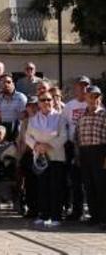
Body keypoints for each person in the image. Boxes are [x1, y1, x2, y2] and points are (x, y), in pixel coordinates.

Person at [26, 91, 69, 228]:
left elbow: (64, 136)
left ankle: (56, 217)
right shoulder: (33, 120)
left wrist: (49, 145)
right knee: (42, 187)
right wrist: (36, 146)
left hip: (56, 156)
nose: (46, 102)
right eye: (43, 100)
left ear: (53, 101)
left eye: (49, 99)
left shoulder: (60, 118)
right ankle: (44, 215)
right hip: (40, 157)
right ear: (38, 103)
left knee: (55, 187)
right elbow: (28, 137)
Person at [74, 85, 106, 229]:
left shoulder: (104, 115)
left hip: (100, 152)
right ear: (85, 98)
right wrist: (78, 154)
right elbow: (77, 137)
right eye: (90, 96)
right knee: (89, 186)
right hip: (84, 153)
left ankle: (104, 218)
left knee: (102, 186)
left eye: (96, 96)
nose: (93, 99)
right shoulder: (82, 116)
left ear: (100, 98)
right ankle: (94, 217)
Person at [62, 76, 91, 221]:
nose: (83, 89)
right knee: (75, 181)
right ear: (76, 89)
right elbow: (64, 125)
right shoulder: (69, 106)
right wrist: (69, 141)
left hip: (89, 146)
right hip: (72, 146)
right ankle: (77, 210)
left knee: (90, 181)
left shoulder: (92, 104)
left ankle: (93, 211)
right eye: (80, 86)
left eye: (86, 86)